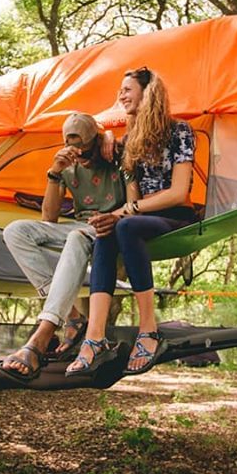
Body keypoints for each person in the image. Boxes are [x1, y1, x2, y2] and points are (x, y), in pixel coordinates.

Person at [66, 66, 196, 377]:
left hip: (176, 218)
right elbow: (130, 194)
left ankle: (149, 330)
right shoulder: (129, 142)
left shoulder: (180, 131)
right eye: (120, 90)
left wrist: (127, 211)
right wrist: (113, 142)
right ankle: (94, 337)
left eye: (127, 89)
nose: (121, 95)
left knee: (123, 224)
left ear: (148, 91)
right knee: (108, 230)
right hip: (137, 219)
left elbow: (178, 193)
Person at [0, 113, 127, 382]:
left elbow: (130, 142)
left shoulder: (114, 151)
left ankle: (42, 336)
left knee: (77, 237)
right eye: (73, 147)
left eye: (84, 148)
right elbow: (49, 219)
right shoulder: (67, 165)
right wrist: (54, 174)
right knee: (16, 232)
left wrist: (112, 138)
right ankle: (71, 316)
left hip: (113, 224)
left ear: (96, 139)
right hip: (79, 225)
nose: (79, 154)